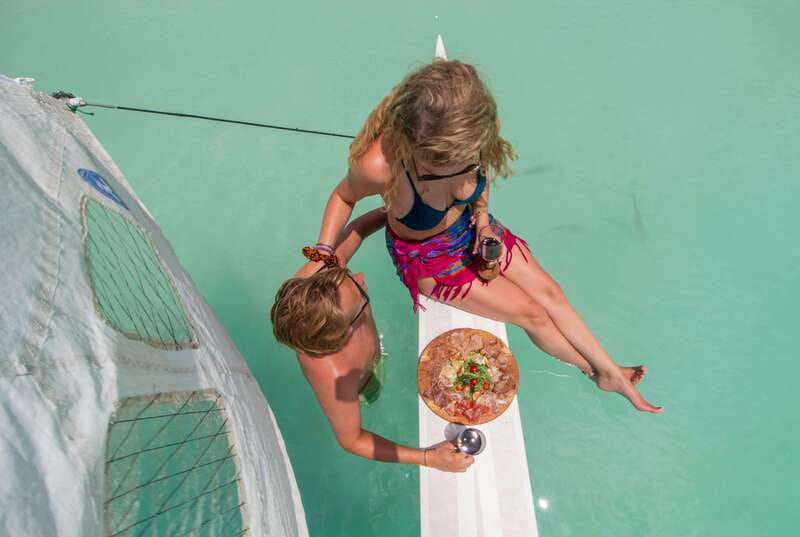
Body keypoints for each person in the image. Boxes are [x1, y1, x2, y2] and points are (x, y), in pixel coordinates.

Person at [314, 59, 662, 413]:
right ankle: (596, 372)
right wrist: (324, 255)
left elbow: (480, 179)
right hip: (431, 260)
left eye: (465, 160)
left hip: (474, 228)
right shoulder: (379, 166)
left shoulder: (470, 132)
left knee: (551, 293)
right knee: (533, 313)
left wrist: (481, 221)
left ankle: (610, 371)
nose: (461, 168)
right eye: (444, 166)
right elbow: (343, 197)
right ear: (415, 145)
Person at [271, 209, 474, 472]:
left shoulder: (325, 274)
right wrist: (429, 458)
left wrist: (398, 213)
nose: (360, 277)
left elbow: (359, 227)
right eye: (358, 289)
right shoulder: (336, 377)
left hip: (320, 270)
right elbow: (351, 440)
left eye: (348, 275)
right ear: (344, 332)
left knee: (319, 254)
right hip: (364, 381)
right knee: (374, 393)